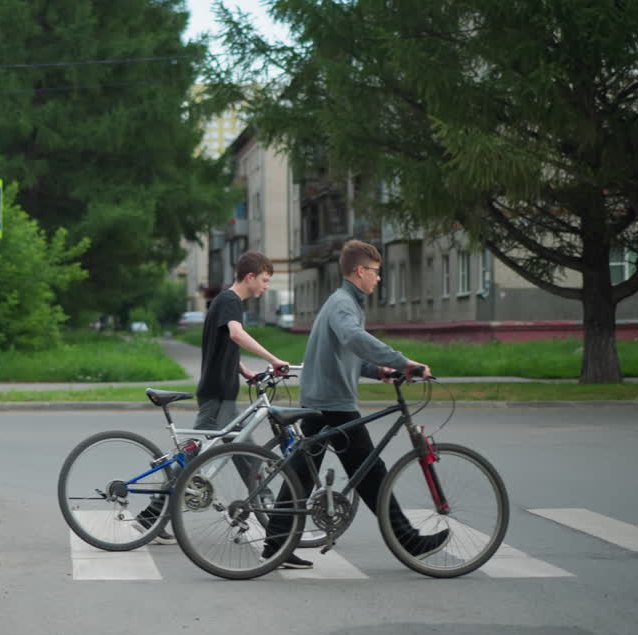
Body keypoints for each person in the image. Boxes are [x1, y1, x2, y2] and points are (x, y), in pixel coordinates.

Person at [263, 239, 449, 568]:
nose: (379, 279)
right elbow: (353, 338)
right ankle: (407, 540)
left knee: (304, 472)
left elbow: (346, 353)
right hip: (332, 402)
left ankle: (275, 545)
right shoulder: (343, 304)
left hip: (324, 398)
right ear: (360, 270)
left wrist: (379, 370)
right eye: (376, 272)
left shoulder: (344, 302)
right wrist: (404, 362)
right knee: (370, 472)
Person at [139, 251, 298, 555]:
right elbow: (236, 335)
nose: (265, 287)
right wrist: (274, 360)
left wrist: (245, 371)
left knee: (244, 455)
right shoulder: (229, 302)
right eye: (265, 281)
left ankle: (261, 521)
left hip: (223, 393)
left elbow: (221, 345)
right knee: (199, 458)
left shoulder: (226, 303)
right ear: (250, 277)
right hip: (216, 395)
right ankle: (151, 517)